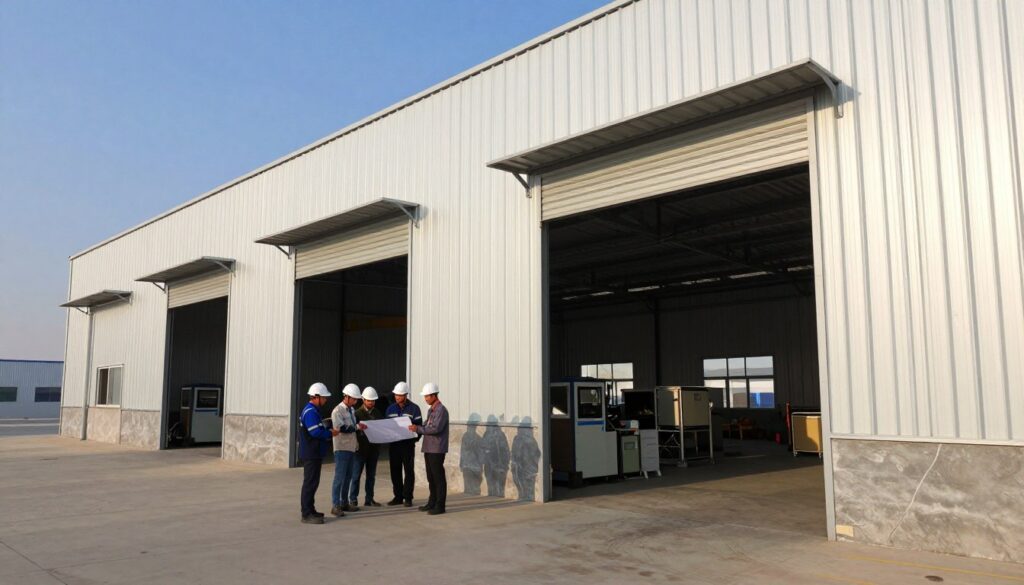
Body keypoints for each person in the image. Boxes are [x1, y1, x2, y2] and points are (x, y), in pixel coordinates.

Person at [299, 382, 340, 525]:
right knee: (310, 483)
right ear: (316, 397)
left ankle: (310, 509)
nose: (325, 400)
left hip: (314, 452)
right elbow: (315, 431)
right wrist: (330, 433)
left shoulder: (313, 411)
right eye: (323, 397)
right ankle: (306, 513)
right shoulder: (310, 412)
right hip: (311, 453)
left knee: (313, 483)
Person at [409, 382, 448, 515]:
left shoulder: (441, 410)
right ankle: (432, 502)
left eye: (427, 396)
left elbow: (436, 428)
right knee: (431, 477)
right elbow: (426, 425)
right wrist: (416, 428)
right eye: (425, 396)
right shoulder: (431, 410)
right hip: (429, 448)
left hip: (437, 449)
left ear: (434, 395)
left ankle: (440, 505)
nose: (425, 399)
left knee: (438, 478)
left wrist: (418, 428)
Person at [330, 384, 366, 516]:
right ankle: (335, 505)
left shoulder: (351, 410)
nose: (356, 401)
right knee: (339, 477)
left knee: (348, 477)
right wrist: (357, 427)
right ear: (347, 397)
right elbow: (341, 428)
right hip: (341, 448)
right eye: (354, 399)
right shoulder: (337, 411)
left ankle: (344, 503)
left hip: (351, 448)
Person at [385, 381, 421, 507]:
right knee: (395, 471)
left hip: (407, 445)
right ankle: (398, 497)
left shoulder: (414, 409)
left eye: (400, 395)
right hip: (394, 445)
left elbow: (419, 426)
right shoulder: (390, 409)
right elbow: (386, 426)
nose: (397, 397)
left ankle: (408, 497)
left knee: (409, 471)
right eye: (396, 395)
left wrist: (414, 439)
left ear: (406, 395)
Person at [351, 386, 382, 507]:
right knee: (356, 475)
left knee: (371, 476)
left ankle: (369, 499)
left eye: (373, 400)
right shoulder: (356, 414)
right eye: (369, 400)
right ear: (363, 400)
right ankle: (353, 499)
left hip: (373, 449)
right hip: (360, 450)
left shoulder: (378, 413)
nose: (371, 403)